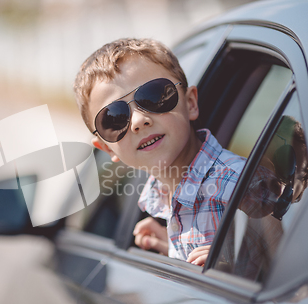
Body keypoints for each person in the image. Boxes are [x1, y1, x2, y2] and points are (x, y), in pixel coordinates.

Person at [73, 38, 246, 265]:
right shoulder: (159, 199)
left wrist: (236, 266)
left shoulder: (238, 183)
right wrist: (176, 251)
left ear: (191, 103)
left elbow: (285, 263)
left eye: (154, 96)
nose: (139, 120)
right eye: (114, 118)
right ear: (107, 148)